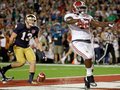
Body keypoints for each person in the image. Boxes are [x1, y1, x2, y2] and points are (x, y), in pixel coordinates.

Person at [64, 1, 113, 89]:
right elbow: (68, 21)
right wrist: (79, 19)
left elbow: (96, 23)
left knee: (91, 64)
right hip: (77, 41)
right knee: (88, 56)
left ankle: (87, 78)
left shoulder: (87, 16)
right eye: (81, 8)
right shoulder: (70, 15)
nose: (83, 9)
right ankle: (90, 77)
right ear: (75, 8)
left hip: (89, 42)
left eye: (83, 7)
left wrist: (107, 24)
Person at [0, 14, 44, 84]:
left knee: (33, 60)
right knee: (21, 62)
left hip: (27, 46)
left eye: (33, 20)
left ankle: (30, 80)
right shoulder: (20, 26)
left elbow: (37, 41)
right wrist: (10, 47)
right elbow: (12, 38)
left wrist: (42, 51)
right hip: (18, 46)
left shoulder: (35, 29)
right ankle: (5, 68)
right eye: (30, 20)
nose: (31, 22)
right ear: (26, 20)